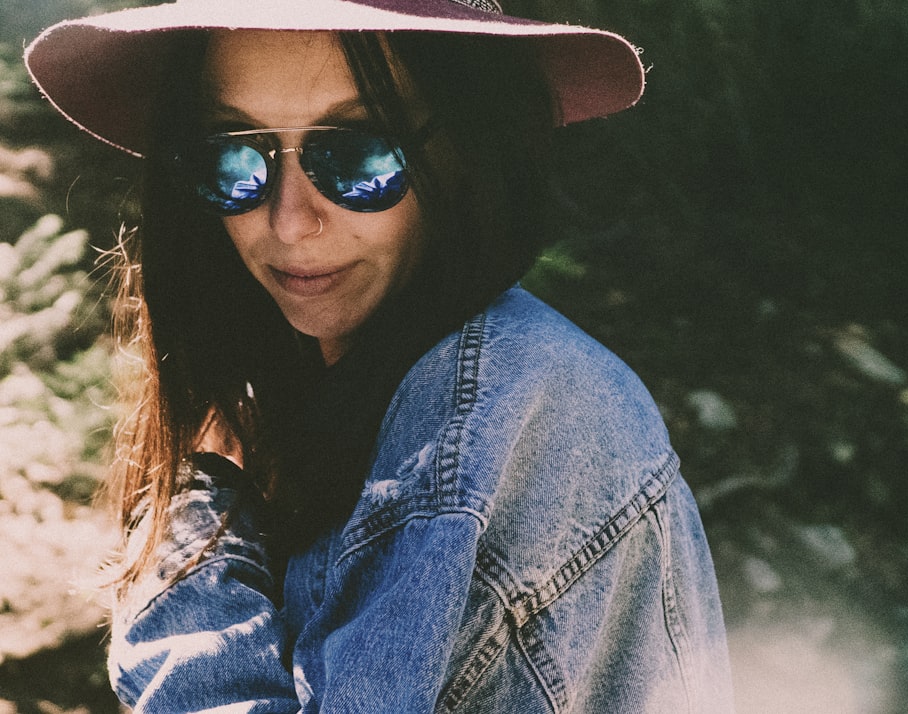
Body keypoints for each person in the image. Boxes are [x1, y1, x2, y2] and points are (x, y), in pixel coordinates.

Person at [26, 0, 734, 711]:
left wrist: (194, 532)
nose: (290, 222)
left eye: (358, 153)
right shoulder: (331, 398)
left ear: (464, 150)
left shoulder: (503, 409)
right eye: (232, 153)